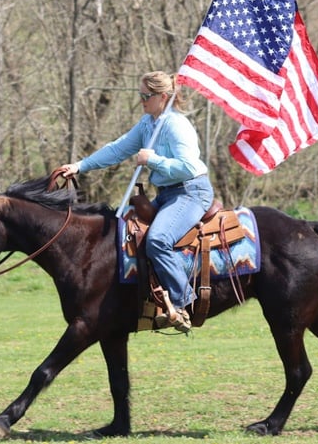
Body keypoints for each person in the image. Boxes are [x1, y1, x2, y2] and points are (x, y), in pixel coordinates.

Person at [59, 71, 214, 333]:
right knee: (122, 232)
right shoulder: (147, 124)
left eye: (146, 96)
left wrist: (152, 160)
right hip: (166, 193)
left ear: (163, 97)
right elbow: (117, 149)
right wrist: (79, 166)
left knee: (158, 240)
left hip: (191, 192)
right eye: (139, 95)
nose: (141, 100)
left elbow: (189, 167)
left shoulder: (176, 125)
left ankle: (183, 303)